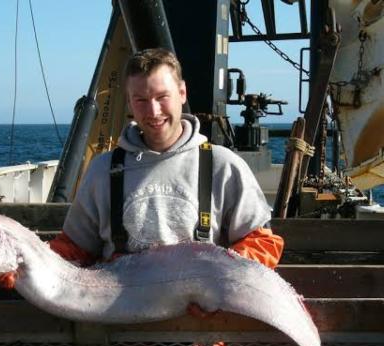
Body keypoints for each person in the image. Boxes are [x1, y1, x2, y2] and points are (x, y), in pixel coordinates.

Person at [49, 48, 284, 268]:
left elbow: (260, 242)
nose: (153, 111)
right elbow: (74, 248)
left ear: (182, 93)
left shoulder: (223, 165)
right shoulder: (103, 170)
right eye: (140, 100)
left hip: (199, 307)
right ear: (129, 102)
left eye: (162, 97)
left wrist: (219, 282)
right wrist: (27, 267)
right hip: (122, 308)